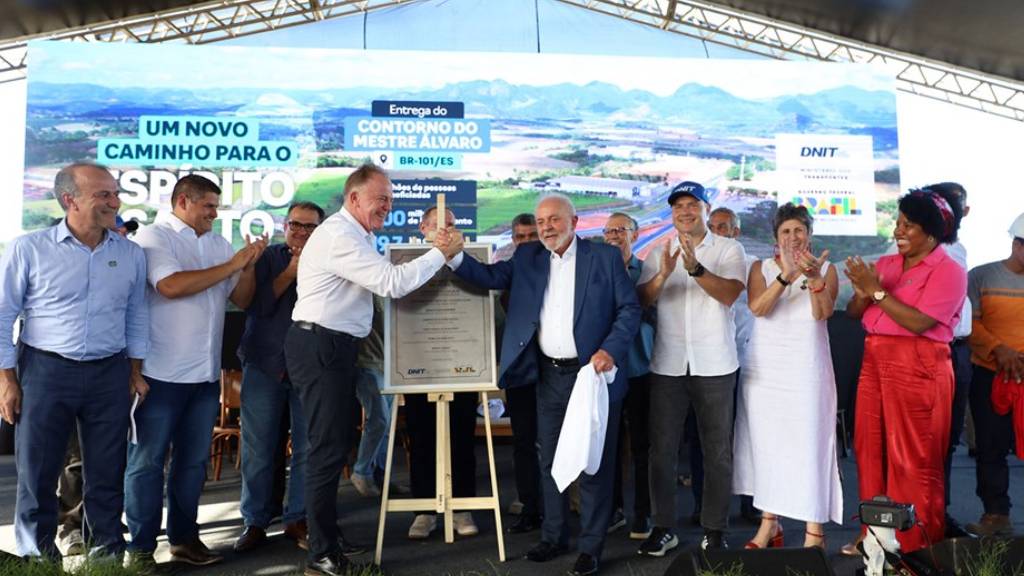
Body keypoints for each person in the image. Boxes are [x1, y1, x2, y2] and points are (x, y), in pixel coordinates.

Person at [284, 164, 462, 576]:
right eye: (380, 198)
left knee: (334, 445)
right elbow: (392, 283)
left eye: (390, 199)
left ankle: (327, 538)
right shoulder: (340, 236)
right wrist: (441, 253)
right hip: (322, 345)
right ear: (354, 199)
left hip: (335, 347)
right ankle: (321, 555)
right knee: (326, 450)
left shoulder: (356, 235)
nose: (387, 206)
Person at [449, 193, 640, 576]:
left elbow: (629, 308)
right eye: (541, 221)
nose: (547, 227)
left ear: (573, 220)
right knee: (550, 459)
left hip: (593, 377)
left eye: (554, 219)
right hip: (549, 376)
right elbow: (488, 278)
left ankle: (591, 547)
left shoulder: (602, 257)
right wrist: (454, 255)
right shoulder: (527, 258)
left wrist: (610, 350)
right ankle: (554, 537)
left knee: (592, 465)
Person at [0, 162, 149, 560]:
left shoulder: (131, 254)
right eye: (104, 195)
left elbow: (136, 315)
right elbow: (3, 315)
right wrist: (7, 380)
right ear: (70, 200)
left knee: (106, 473)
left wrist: (135, 371)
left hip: (110, 372)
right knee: (37, 474)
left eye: (115, 193)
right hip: (45, 371)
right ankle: (36, 558)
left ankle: (107, 558)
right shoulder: (28, 249)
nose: (115, 202)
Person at [126, 174, 267, 568]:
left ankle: (185, 540)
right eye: (208, 206)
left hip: (204, 377)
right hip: (158, 374)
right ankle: (139, 549)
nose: (214, 213)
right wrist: (231, 264)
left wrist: (248, 265)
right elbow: (170, 286)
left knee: (192, 465)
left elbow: (241, 298)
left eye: (216, 206)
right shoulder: (155, 237)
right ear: (183, 201)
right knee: (147, 464)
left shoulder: (219, 244)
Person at [845, 189, 966, 552]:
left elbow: (918, 322)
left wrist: (878, 294)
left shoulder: (949, 271)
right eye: (897, 223)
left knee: (912, 458)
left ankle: (915, 542)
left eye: (908, 226)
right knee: (869, 450)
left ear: (931, 233)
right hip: (875, 361)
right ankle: (874, 537)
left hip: (919, 365)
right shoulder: (886, 264)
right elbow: (854, 313)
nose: (898, 231)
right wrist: (864, 292)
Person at [637, 181, 747, 554]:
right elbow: (642, 300)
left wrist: (696, 269)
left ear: (705, 207)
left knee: (716, 450)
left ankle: (715, 528)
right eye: (678, 206)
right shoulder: (658, 251)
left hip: (715, 362)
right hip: (668, 363)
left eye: (692, 204)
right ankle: (663, 526)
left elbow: (731, 294)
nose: (685, 211)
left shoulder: (730, 248)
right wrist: (663, 274)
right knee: (662, 450)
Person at [732, 203, 842, 549]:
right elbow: (758, 309)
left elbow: (822, 314)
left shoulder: (826, 269)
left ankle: (814, 532)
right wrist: (787, 275)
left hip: (807, 368)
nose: (793, 237)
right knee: (767, 447)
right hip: (765, 369)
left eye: (799, 230)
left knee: (810, 444)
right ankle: (769, 524)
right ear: (776, 239)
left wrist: (812, 278)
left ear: (809, 234)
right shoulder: (760, 267)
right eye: (785, 232)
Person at [234, 201, 325, 553]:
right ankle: (255, 521)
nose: (301, 232)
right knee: (258, 448)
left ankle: (298, 518)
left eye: (310, 227)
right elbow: (254, 305)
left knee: (307, 448)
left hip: (311, 366)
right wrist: (290, 271)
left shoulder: (329, 260)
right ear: (285, 225)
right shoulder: (267, 257)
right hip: (264, 364)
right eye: (295, 224)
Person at [405, 206, 480, 539]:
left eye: (450, 225)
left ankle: (462, 507)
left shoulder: (471, 261)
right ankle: (424, 510)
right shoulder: (405, 262)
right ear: (423, 228)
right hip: (418, 365)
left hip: (461, 364)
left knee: (462, 437)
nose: (444, 231)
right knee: (421, 438)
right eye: (437, 225)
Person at [963, 211, 1024, 537]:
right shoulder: (981, 277)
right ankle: (996, 515)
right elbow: (968, 323)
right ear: (1017, 245)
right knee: (991, 446)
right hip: (990, 373)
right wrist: (999, 349)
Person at [919, 182, 973, 538]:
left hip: (960, 351)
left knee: (948, 440)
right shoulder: (922, 251)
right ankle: (921, 518)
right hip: (931, 351)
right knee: (926, 440)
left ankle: (939, 514)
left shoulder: (959, 249)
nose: (963, 214)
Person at [603, 212, 655, 540]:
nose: (613, 235)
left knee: (642, 446)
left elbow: (651, 311)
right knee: (608, 446)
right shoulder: (596, 270)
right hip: (605, 372)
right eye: (608, 231)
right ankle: (613, 511)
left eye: (620, 230)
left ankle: (644, 514)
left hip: (640, 369)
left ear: (635, 236)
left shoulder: (648, 271)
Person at [503, 212, 543, 534]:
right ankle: (530, 506)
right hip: (520, 371)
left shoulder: (557, 268)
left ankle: (560, 506)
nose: (527, 242)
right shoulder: (509, 270)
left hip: (555, 368)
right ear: (513, 240)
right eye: (521, 237)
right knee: (524, 442)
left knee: (558, 440)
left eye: (533, 236)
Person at [350, 294, 392, 498]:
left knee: (387, 425)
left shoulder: (398, 284)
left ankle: (381, 477)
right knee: (380, 420)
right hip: (366, 363)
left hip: (390, 365)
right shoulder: (368, 284)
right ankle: (361, 471)